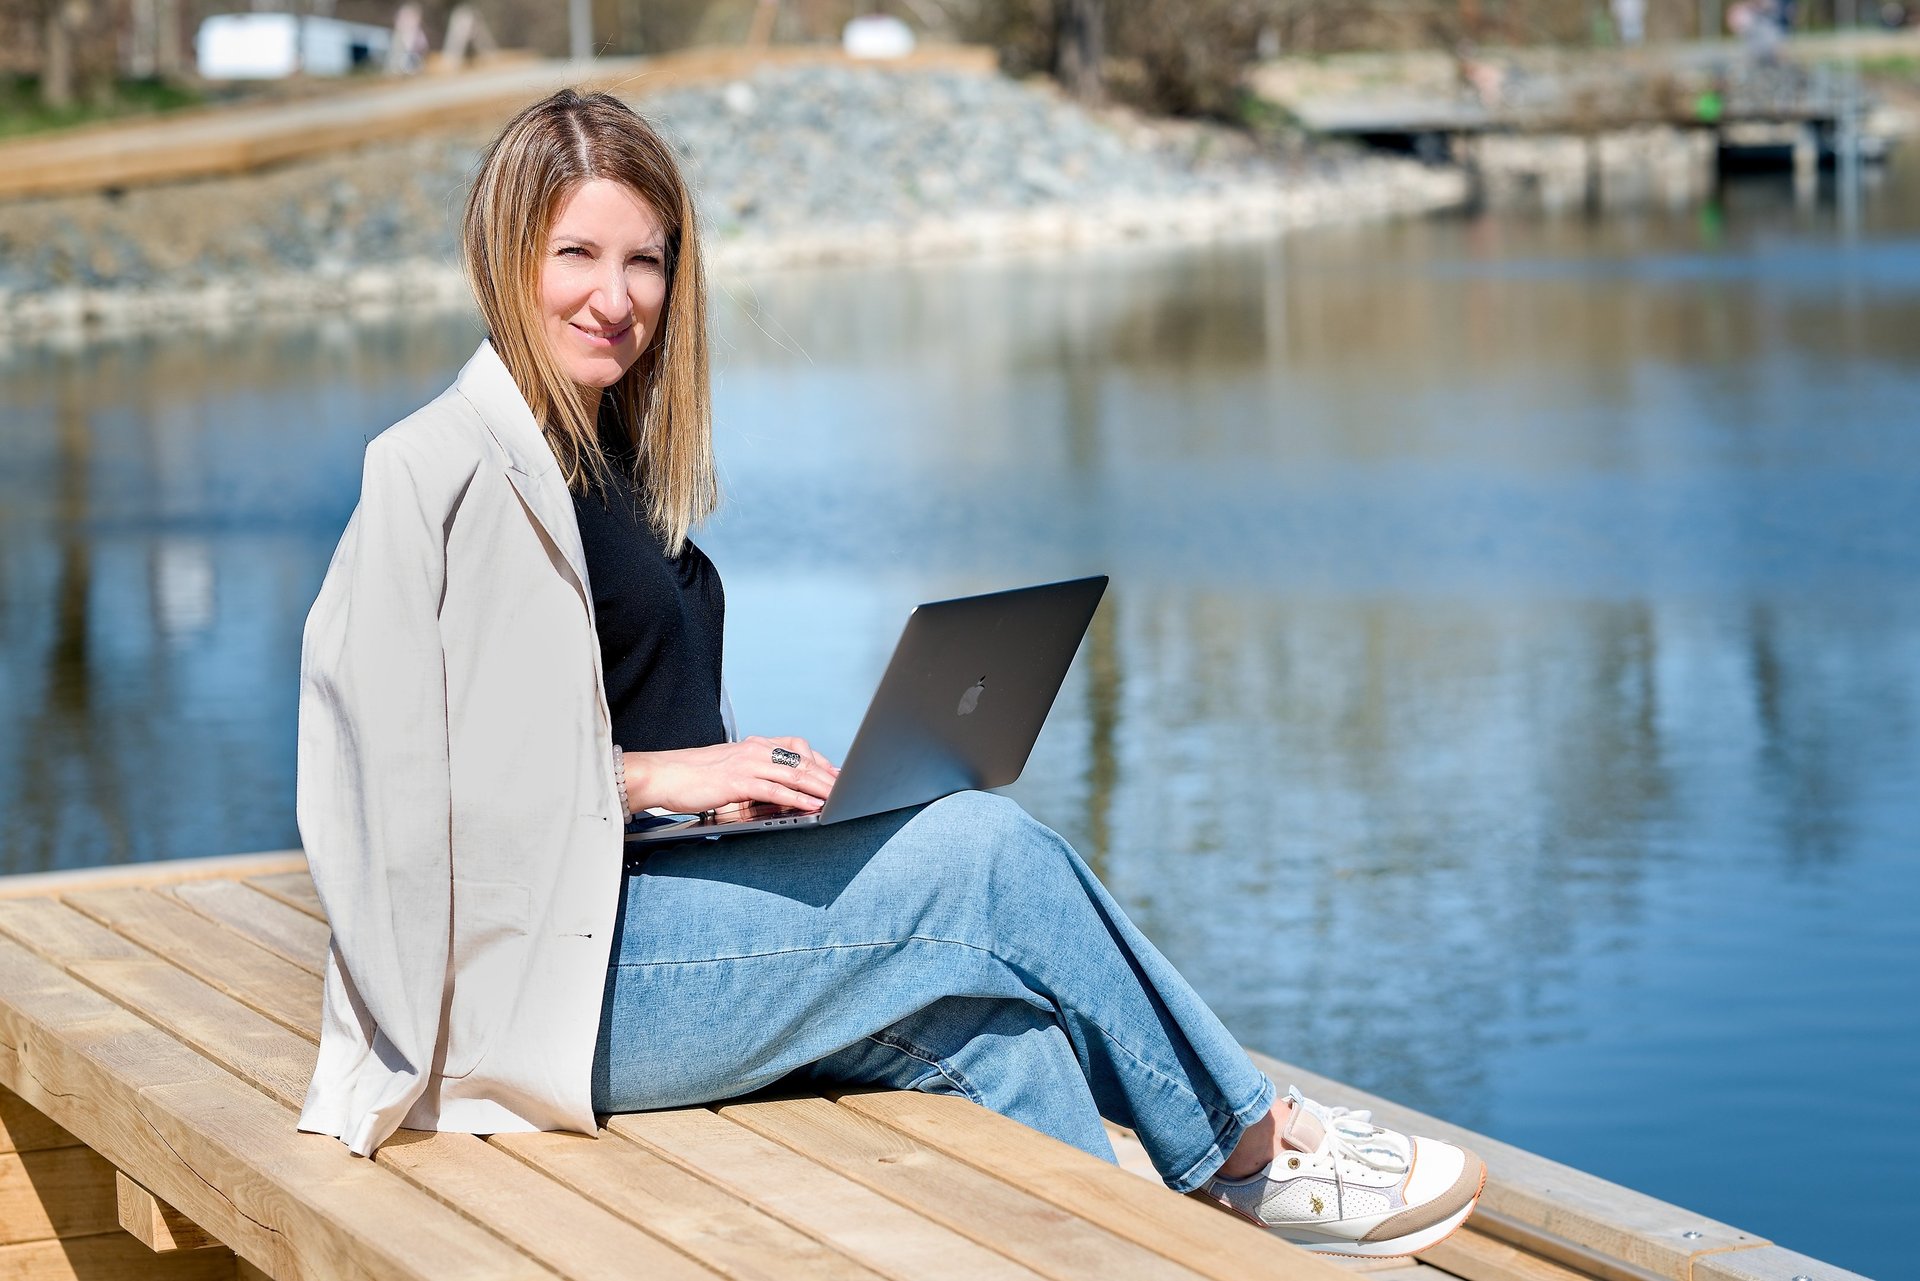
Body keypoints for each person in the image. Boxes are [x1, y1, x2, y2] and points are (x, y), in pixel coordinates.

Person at [293, 88, 1486, 1258]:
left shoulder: (600, 462)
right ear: (506, 255)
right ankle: (1255, 1151)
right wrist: (662, 779)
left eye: (646, 262)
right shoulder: (433, 473)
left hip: (647, 929)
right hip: (534, 999)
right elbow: (392, 803)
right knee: (981, 860)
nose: (616, 298)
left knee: (999, 1030)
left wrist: (741, 801)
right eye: (577, 255)